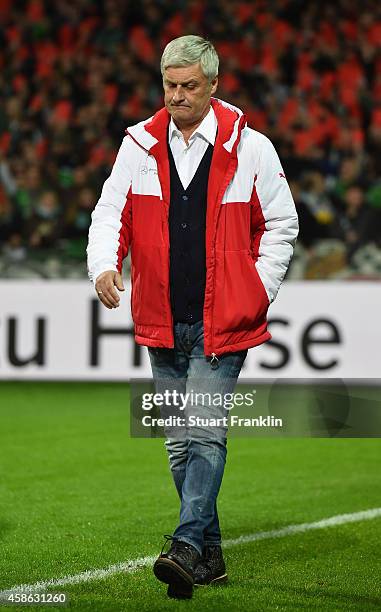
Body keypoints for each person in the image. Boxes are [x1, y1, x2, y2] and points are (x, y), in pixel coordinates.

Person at [87, 35, 298, 600]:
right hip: (161, 316)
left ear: (213, 85)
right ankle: (209, 555)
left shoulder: (251, 147)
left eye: (188, 86)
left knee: (204, 433)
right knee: (179, 442)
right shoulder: (139, 144)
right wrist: (104, 265)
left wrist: (258, 289)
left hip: (221, 321)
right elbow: (110, 211)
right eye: (169, 86)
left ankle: (184, 543)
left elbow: (283, 223)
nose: (176, 96)